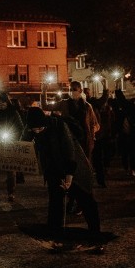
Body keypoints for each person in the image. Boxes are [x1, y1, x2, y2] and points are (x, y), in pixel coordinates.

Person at [23, 107, 103, 251]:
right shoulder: (32, 129)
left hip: (75, 169)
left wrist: (69, 176)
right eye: (34, 129)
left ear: (44, 122)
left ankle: (97, 240)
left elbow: (69, 150)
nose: (38, 131)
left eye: (40, 128)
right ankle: (55, 240)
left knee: (86, 202)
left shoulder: (59, 126)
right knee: (55, 205)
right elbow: (23, 144)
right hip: (53, 171)